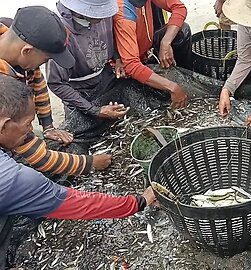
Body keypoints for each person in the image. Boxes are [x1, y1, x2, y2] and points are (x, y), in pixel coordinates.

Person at [0, 73, 157, 269]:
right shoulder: (11, 179)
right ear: (5, 125)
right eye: (27, 124)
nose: (31, 130)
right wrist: (139, 202)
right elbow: (81, 204)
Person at [0, 6, 111, 175]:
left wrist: (48, 126)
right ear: (27, 51)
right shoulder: (3, 90)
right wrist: (89, 163)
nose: (45, 64)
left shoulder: (16, 46)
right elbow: (32, 151)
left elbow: (37, 82)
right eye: (46, 59)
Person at [46, 0, 130, 148]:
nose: (101, 17)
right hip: (79, 91)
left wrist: (118, 59)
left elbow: (114, 34)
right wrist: (95, 110)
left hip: (105, 76)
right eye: (97, 12)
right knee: (81, 135)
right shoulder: (59, 32)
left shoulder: (105, 16)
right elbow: (56, 83)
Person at [113, 0, 190, 109]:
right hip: (126, 60)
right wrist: (172, 87)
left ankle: (182, 77)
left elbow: (179, 8)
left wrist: (166, 42)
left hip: (146, 50)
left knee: (182, 30)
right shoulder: (123, 12)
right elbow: (131, 64)